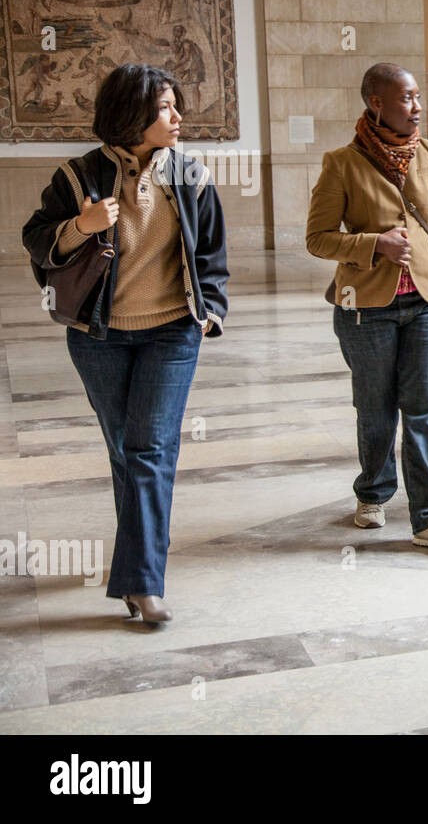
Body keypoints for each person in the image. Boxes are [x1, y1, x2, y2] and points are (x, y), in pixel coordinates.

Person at [22, 63, 229, 625]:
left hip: (171, 332)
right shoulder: (77, 176)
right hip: (99, 336)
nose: (178, 117)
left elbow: (210, 250)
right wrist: (83, 225)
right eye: (166, 108)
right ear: (132, 114)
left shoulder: (189, 174)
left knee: (149, 451)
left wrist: (209, 310)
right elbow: (38, 243)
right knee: (127, 452)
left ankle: (141, 583)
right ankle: (139, 565)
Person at [306, 62, 428, 551]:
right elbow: (318, 239)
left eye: (417, 97)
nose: (417, 107)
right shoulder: (341, 163)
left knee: (426, 408)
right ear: (377, 104)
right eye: (406, 98)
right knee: (376, 408)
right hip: (365, 307)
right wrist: (373, 244)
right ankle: (373, 490)